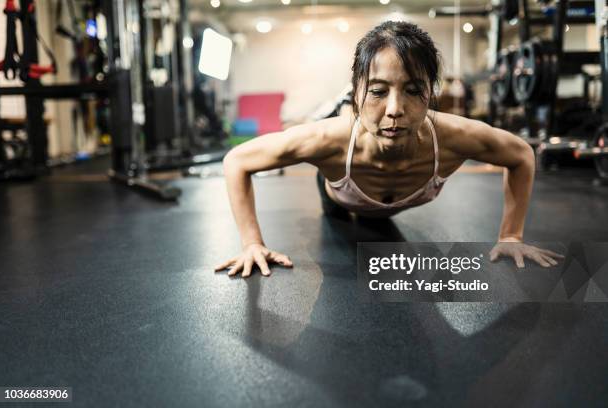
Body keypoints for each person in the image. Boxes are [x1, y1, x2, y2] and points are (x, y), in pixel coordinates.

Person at [214, 21, 563, 278]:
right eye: (378, 91)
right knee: (335, 216)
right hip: (341, 196)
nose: (395, 109)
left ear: (431, 92)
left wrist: (511, 235)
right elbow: (237, 161)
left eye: (413, 91)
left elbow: (520, 155)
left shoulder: (453, 137)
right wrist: (251, 243)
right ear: (356, 95)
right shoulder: (327, 139)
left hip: (394, 200)